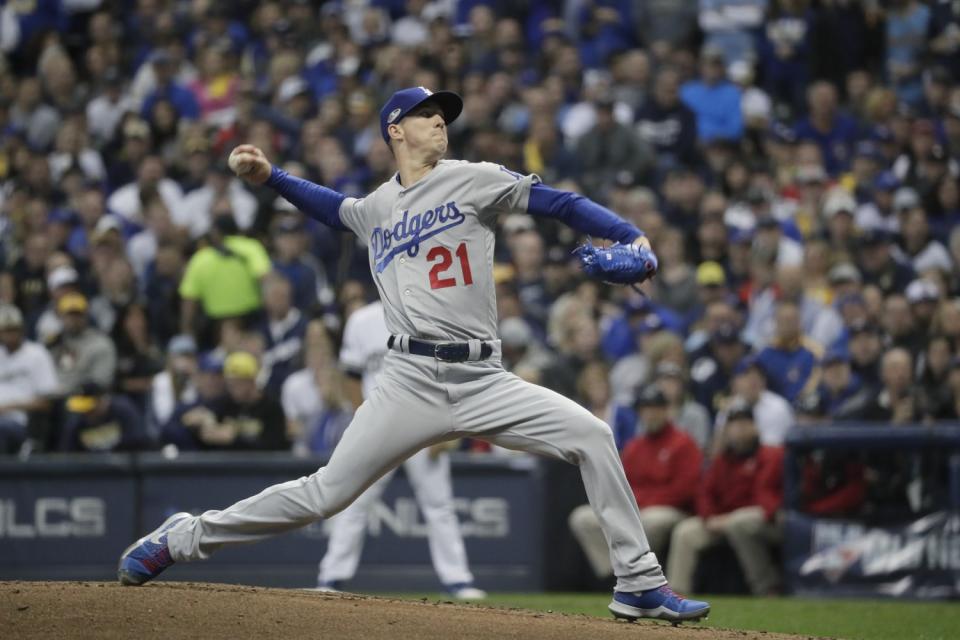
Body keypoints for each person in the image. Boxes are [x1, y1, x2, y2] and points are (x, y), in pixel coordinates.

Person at [118, 87, 710, 623]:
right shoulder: (378, 208)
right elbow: (334, 208)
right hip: (407, 379)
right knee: (326, 494)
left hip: (483, 376)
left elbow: (560, 203)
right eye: (427, 115)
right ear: (395, 130)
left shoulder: (472, 177)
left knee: (593, 436)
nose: (440, 123)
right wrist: (273, 176)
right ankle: (184, 537)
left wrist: (628, 234)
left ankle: (638, 582)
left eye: (443, 116)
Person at [313, 300, 486, 599]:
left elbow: (450, 372)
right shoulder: (362, 319)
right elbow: (351, 376)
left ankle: (458, 579)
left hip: (424, 423)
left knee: (439, 505)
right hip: (379, 426)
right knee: (354, 502)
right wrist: (363, 420)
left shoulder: (432, 311)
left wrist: (447, 430)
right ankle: (331, 577)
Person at [569, 386, 702, 578]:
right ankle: (614, 576)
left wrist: (641, 503)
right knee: (582, 518)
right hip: (637, 508)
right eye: (645, 409)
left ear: (666, 410)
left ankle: (639, 574)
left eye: (655, 409)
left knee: (650, 521)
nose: (650, 414)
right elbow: (620, 484)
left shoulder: (683, 443)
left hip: (671, 510)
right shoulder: (635, 447)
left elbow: (685, 490)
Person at [667, 399, 784, 596]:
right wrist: (708, 517)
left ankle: (766, 588)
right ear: (727, 430)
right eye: (735, 424)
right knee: (685, 532)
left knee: (739, 523)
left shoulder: (770, 454)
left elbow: (765, 497)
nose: (740, 428)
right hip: (721, 521)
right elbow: (704, 492)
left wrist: (725, 519)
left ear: (755, 427)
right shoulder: (721, 460)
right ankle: (676, 594)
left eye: (745, 423)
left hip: (763, 518)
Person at [0, 304, 59, 454]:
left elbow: (46, 402)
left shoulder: (37, 354)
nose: (10, 335)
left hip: (22, 422)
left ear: (22, 329)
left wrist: (9, 407)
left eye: (14, 329)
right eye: (6, 330)